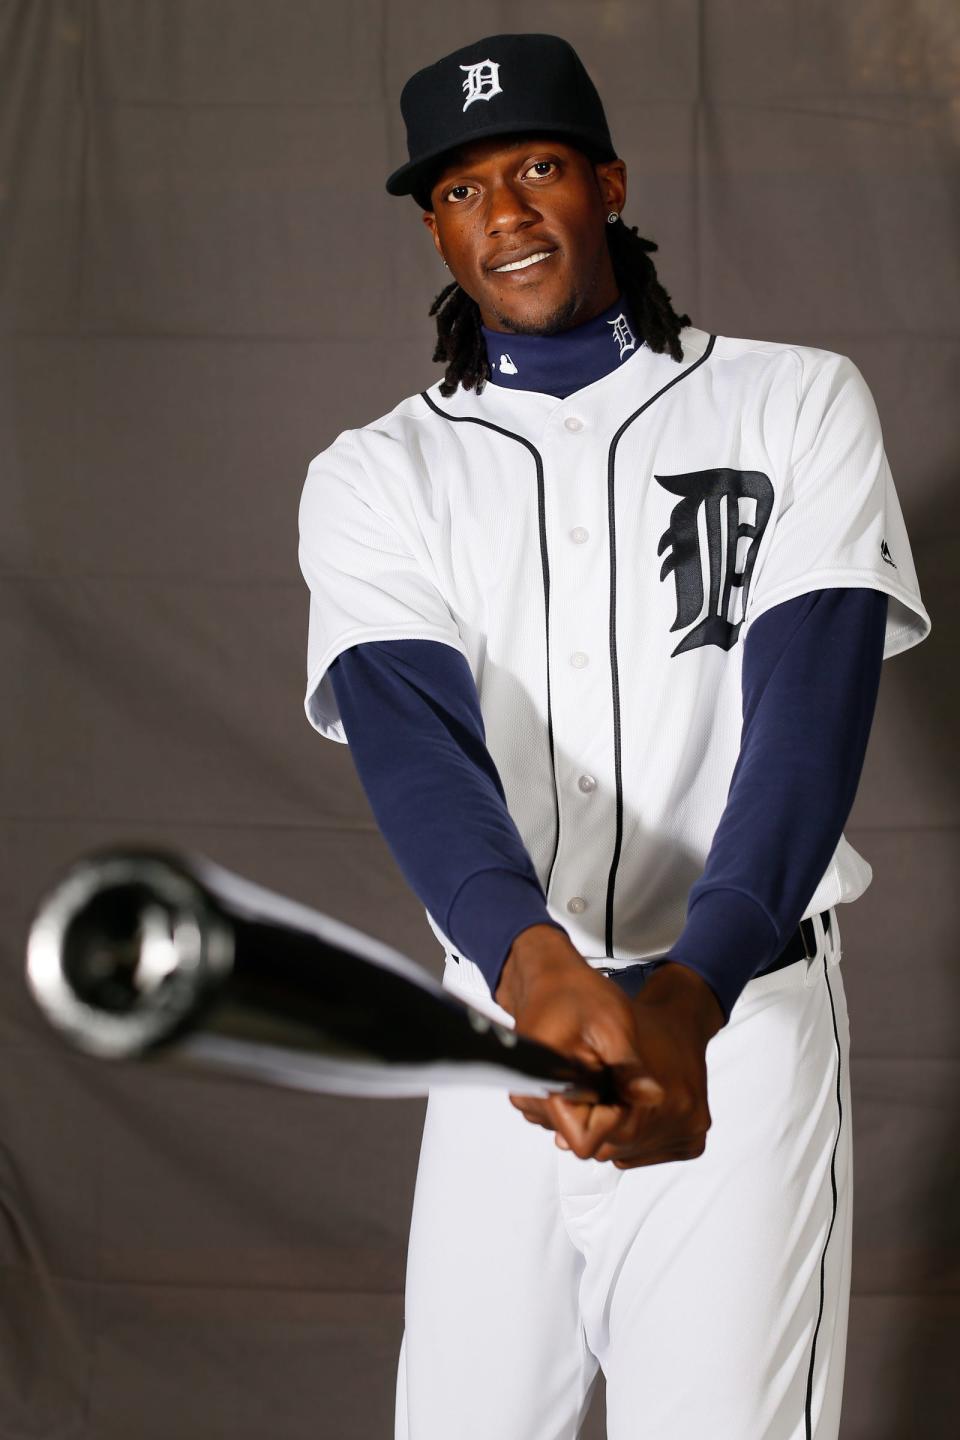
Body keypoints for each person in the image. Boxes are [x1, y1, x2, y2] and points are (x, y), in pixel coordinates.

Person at [296, 32, 931, 1440]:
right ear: (433, 225)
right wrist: (531, 972)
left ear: (607, 181)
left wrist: (689, 1000)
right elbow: (415, 748)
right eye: (463, 189)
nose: (506, 214)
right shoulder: (375, 473)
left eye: (536, 168)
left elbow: (807, 721)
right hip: (497, 1023)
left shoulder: (794, 398)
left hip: (738, 1019)